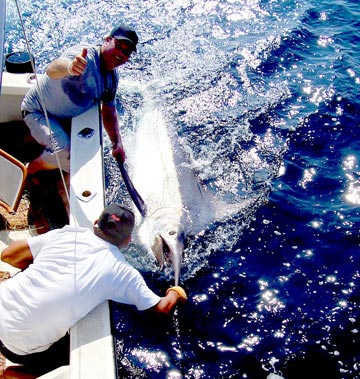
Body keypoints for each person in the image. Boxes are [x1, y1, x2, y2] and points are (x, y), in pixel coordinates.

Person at [0, 204, 187, 370]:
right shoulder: (123, 271)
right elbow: (162, 308)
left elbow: (8, 255)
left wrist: (37, 267)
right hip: (15, 349)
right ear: (128, 240)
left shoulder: (66, 233)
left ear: (96, 222)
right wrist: (175, 293)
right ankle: (15, 375)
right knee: (73, 359)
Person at [21, 25, 138, 175]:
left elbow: (109, 111)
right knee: (64, 152)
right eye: (119, 46)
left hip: (65, 117)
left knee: (80, 160)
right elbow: (52, 69)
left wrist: (117, 143)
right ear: (107, 40)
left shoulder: (112, 79)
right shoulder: (84, 56)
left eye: (126, 52)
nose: (121, 54)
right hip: (38, 112)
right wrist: (70, 67)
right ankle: (27, 171)